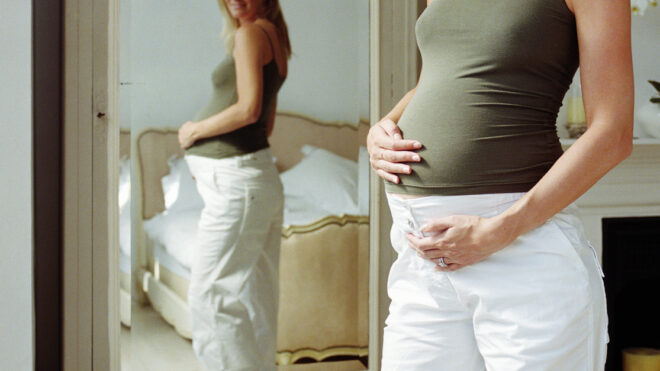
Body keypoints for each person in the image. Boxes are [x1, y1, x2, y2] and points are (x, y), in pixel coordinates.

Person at [367, 0, 633, 369]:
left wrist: (500, 230)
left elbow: (613, 133)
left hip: (521, 249)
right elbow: (446, 75)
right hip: (422, 258)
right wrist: (386, 124)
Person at [177, 0, 290, 369]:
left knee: (209, 295)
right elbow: (267, 126)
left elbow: (249, 110)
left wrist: (195, 131)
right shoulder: (275, 38)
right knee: (258, 298)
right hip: (253, 180)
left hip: (237, 182)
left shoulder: (250, 34)